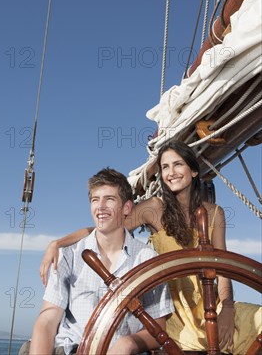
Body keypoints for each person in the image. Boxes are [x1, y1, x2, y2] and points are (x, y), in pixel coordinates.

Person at [40, 141, 262, 354]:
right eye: (165, 167)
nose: (171, 172)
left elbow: (223, 269)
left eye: (177, 164)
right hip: (169, 312)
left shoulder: (215, 213)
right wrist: (58, 243)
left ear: (193, 171)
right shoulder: (154, 208)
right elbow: (108, 226)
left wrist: (228, 310)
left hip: (211, 306)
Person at [22, 168, 173, 355]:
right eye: (95, 200)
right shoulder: (68, 255)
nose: (100, 207)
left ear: (126, 208)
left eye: (109, 199)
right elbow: (47, 321)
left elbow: (157, 329)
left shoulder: (148, 260)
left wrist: (127, 344)